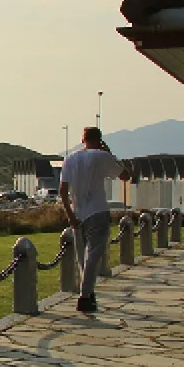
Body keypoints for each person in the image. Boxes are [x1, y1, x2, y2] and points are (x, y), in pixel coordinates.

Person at [58, 126, 130, 313]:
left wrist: (70, 215)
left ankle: (88, 293)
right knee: (93, 256)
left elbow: (63, 191)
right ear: (99, 140)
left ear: (82, 139)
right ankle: (85, 296)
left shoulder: (69, 159)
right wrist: (109, 153)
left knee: (82, 257)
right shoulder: (102, 156)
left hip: (78, 213)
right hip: (97, 210)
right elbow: (125, 175)